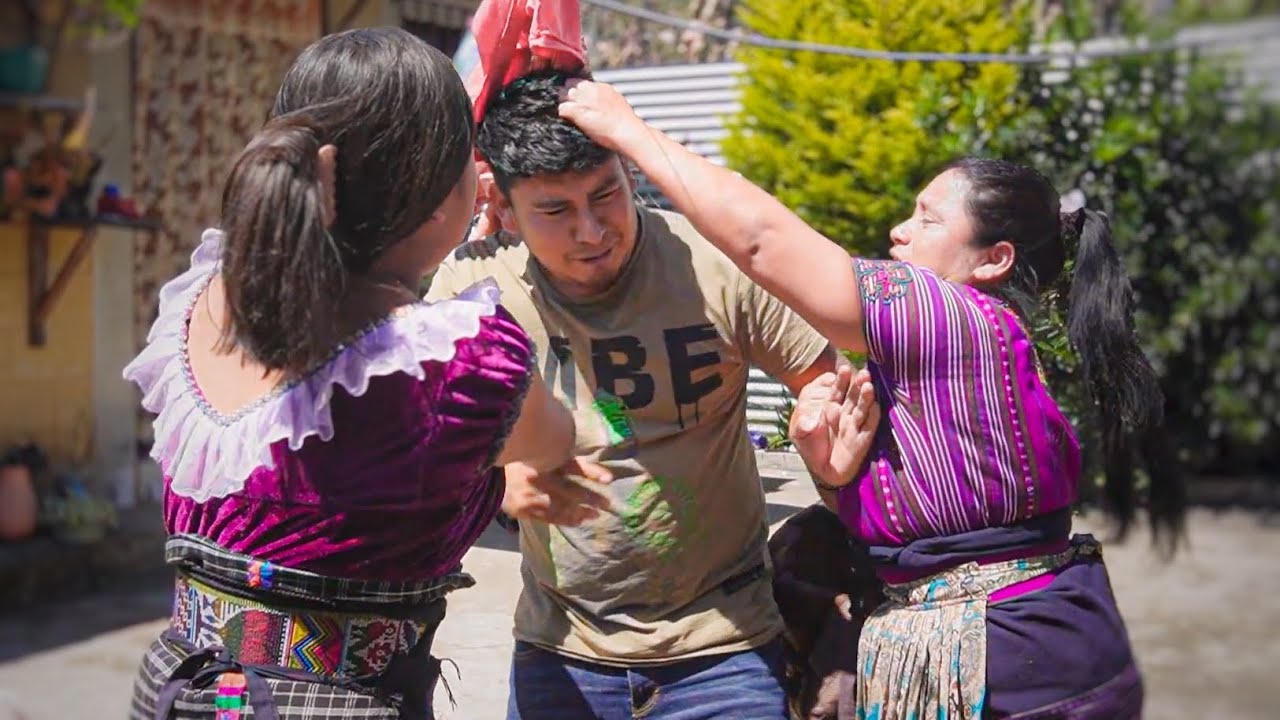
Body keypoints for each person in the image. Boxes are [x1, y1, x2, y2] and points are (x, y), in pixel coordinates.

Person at [558, 79, 1188, 719]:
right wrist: (829, 471)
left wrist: (628, 132)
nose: (899, 231)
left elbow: (761, 242)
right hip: (1045, 664)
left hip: (1017, 677)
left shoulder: (950, 314)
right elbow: (920, 534)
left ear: (993, 259)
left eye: (928, 218)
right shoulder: (973, 354)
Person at [123, 28, 606, 720]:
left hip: (189, 691)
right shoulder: (458, 359)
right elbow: (555, 438)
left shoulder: (205, 300)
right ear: (444, 195)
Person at [424, 70, 880, 719]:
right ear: (504, 202)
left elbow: (823, 379)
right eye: (555, 211)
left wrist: (822, 431)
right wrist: (496, 474)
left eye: (607, 194)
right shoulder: (476, 288)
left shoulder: (710, 263)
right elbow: (424, 439)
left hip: (728, 647)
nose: (591, 230)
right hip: (562, 652)